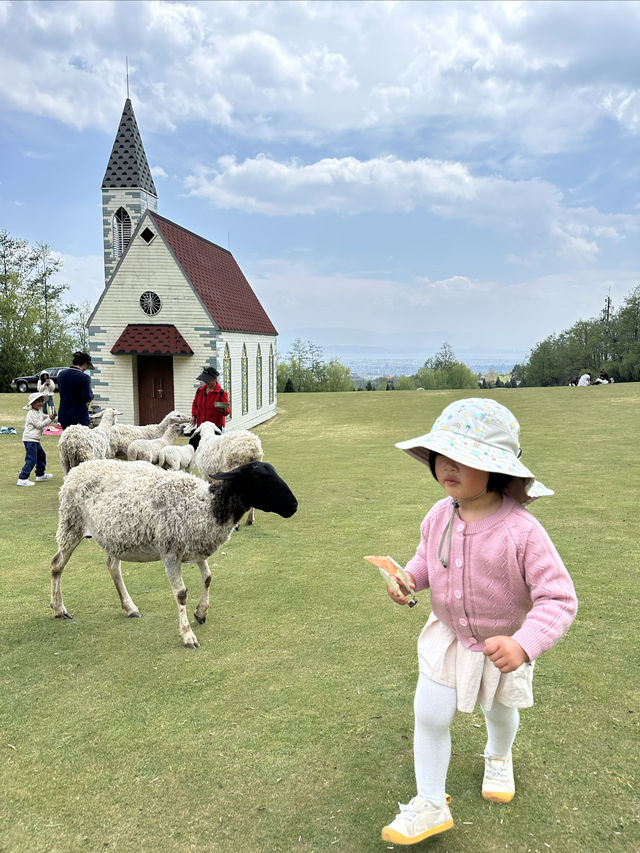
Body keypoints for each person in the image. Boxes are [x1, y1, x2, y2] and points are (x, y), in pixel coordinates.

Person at [380, 398, 577, 846]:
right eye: (441, 456)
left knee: (500, 712)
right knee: (429, 716)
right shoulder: (439, 514)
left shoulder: (523, 531)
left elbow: (559, 598)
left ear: (497, 469)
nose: (447, 467)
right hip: (447, 638)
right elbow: (428, 559)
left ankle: (499, 755)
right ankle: (430, 802)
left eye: (464, 458)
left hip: (502, 646)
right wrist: (409, 578)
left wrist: (525, 644)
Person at [17, 391, 56, 486]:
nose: (40, 403)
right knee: (31, 459)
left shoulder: (38, 413)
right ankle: (22, 478)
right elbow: (39, 425)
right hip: (30, 440)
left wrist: (58, 418)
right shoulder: (31, 414)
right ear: (32, 403)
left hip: (35, 440)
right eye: (37, 401)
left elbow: (47, 417)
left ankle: (40, 475)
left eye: (41, 401)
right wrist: (50, 419)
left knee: (42, 456)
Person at [189, 366, 230, 449]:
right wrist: (194, 416)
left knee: (213, 451)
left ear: (215, 379)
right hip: (201, 427)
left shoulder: (222, 393)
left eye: (209, 380)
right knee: (194, 447)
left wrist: (223, 409)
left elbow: (227, 411)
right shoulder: (200, 390)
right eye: (205, 380)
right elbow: (195, 405)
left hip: (214, 428)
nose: (206, 382)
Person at [57, 351, 94, 429]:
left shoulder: (61, 374)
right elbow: (86, 397)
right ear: (85, 364)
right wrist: (91, 395)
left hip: (64, 416)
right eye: (87, 366)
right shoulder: (84, 377)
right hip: (79, 417)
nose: (86, 369)